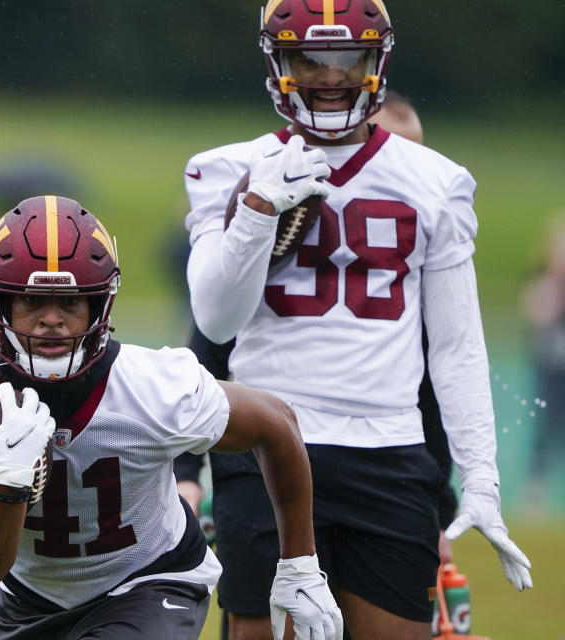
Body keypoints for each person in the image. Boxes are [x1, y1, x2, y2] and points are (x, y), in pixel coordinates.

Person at [183, 2, 532, 639]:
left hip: (389, 451)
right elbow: (215, 316)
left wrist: (480, 472)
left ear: (379, 62)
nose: (330, 76)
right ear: (277, 62)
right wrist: (259, 210)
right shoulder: (227, 168)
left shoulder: (436, 180)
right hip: (265, 440)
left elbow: (455, 346)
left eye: (349, 58)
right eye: (309, 58)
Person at [0, 196, 343, 640]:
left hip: (149, 580)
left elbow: (275, 423)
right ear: (1, 303)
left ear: (99, 307)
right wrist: (6, 491)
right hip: (26, 598)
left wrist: (299, 565)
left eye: (72, 302)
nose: (52, 320)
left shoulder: (153, 386)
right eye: (33, 301)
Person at [521, 222, 565, 493]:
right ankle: (536, 488)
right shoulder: (544, 285)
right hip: (550, 369)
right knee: (545, 428)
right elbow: (536, 314)